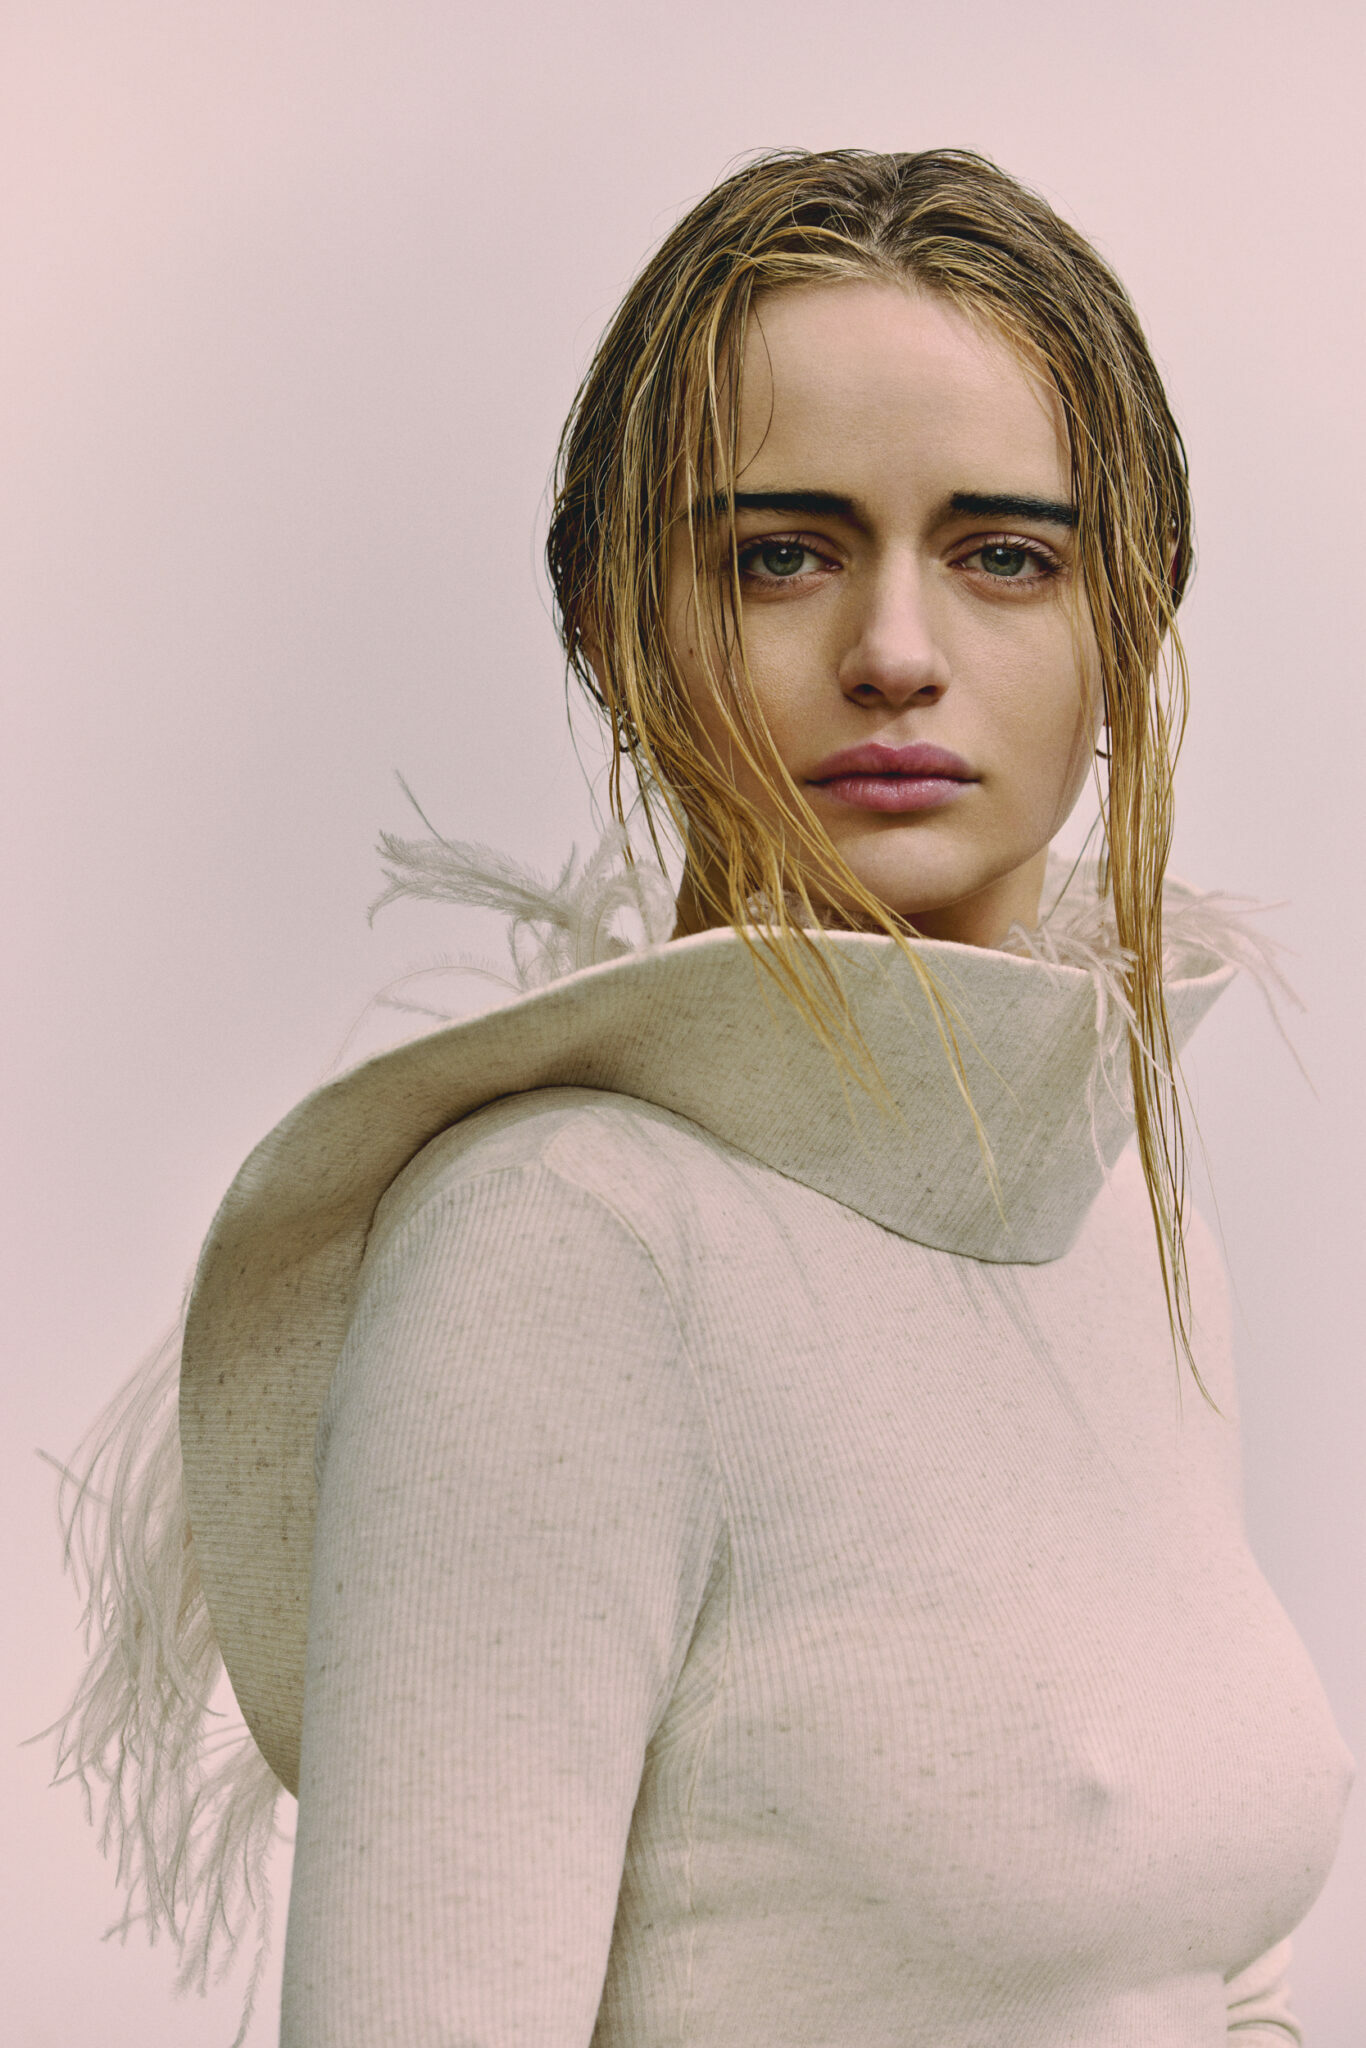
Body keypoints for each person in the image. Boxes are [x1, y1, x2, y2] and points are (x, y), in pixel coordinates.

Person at [52, 147, 1354, 2046]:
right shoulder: (569, 1249)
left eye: (1004, 554)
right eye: (779, 554)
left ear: (1127, 627)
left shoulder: (1115, 1211)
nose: (892, 654)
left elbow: (1205, 1969)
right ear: (611, 623)